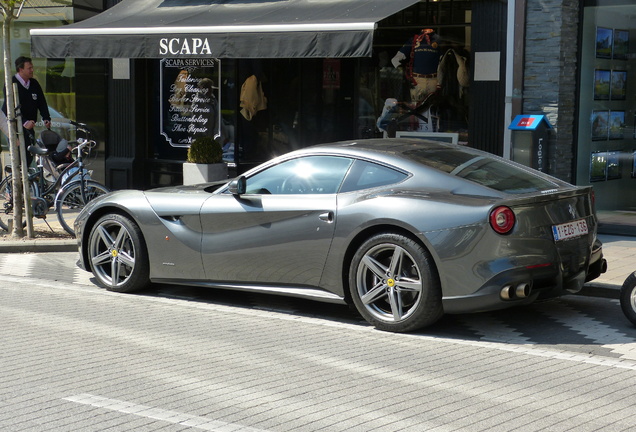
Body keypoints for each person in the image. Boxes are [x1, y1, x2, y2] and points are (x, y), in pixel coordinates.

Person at [1, 56, 51, 166]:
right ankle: (16, 180)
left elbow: (41, 102)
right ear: (21, 69)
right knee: (18, 157)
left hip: (30, 127)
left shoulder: (34, 83)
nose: (32, 70)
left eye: (32, 67)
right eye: (29, 68)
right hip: (15, 127)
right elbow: (9, 107)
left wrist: (46, 117)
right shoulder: (11, 83)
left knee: (29, 156)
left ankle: (26, 181)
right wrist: (23, 122)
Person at [392, 29, 441, 103]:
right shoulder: (414, 40)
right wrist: (403, 72)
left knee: (432, 107)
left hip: (433, 80)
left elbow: (444, 59)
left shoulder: (438, 40)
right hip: (417, 80)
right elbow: (395, 59)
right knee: (416, 107)